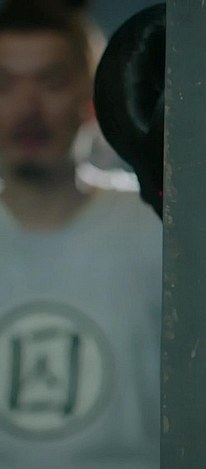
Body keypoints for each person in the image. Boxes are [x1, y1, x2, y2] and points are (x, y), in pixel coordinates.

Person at [0, 4, 160, 468]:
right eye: (4, 84)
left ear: (89, 96)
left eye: (50, 82)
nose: (28, 108)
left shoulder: (153, 227)